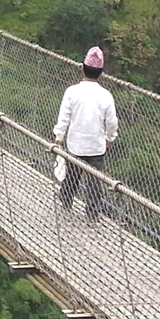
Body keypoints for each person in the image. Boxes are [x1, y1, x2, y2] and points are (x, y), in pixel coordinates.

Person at [52, 47, 119, 220]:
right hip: (97, 146)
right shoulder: (106, 96)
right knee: (95, 181)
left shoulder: (72, 92)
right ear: (101, 73)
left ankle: (66, 201)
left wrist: (59, 138)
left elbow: (63, 118)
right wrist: (110, 138)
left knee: (72, 175)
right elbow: (112, 122)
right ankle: (92, 213)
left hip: (76, 144)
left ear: (82, 68)